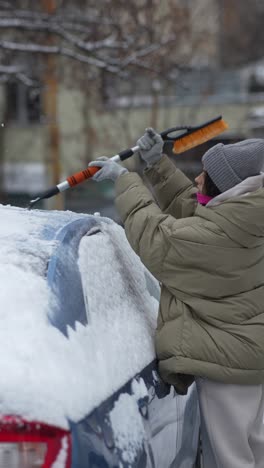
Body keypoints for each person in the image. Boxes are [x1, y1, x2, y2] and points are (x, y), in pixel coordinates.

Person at [89, 128, 264, 468]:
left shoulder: (214, 236)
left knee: (230, 460)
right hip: (248, 353)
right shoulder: (245, 216)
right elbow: (194, 210)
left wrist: (125, 180)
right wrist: (156, 165)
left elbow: (158, 238)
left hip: (229, 365)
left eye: (205, 176)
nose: (197, 179)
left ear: (224, 188)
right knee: (254, 451)